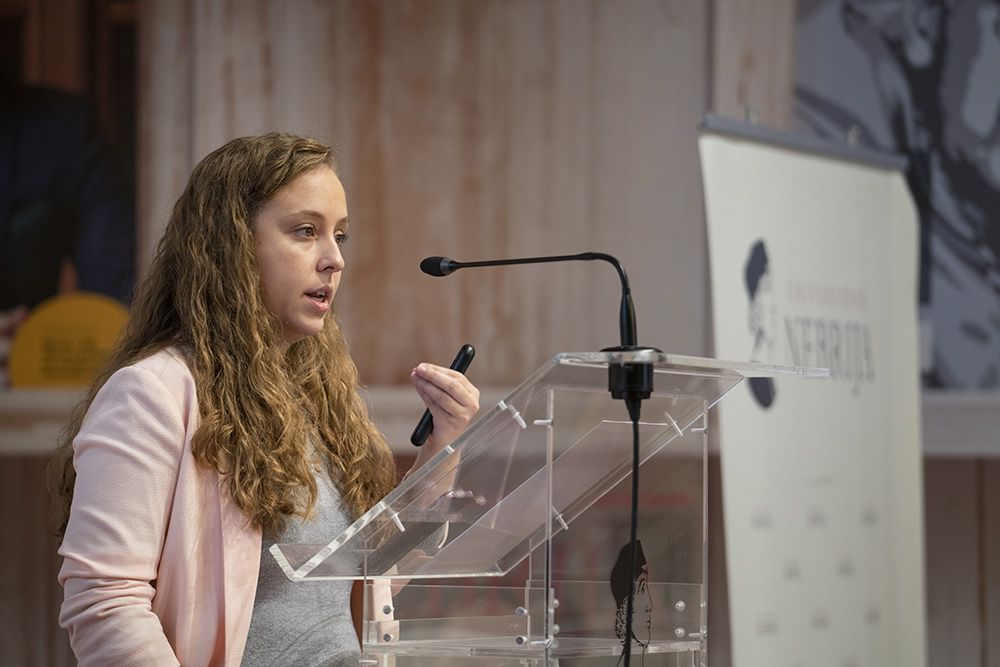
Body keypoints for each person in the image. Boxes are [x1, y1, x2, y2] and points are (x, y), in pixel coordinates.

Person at [47, 132, 480, 666]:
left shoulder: (318, 397)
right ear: (231, 246)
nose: (335, 259)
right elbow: (105, 603)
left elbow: (377, 579)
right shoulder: (152, 394)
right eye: (306, 231)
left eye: (340, 235)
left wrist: (443, 443)